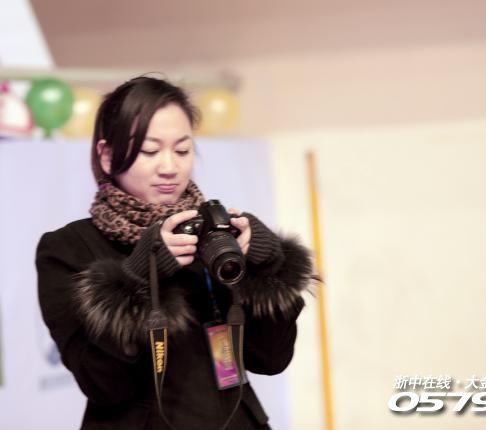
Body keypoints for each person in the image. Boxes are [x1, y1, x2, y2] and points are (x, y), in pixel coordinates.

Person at [36, 76, 313, 429]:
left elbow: (271, 360)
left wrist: (268, 269)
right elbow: (102, 384)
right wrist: (139, 277)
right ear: (106, 155)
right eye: (149, 151)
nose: (169, 167)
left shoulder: (213, 235)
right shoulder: (67, 248)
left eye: (182, 150)